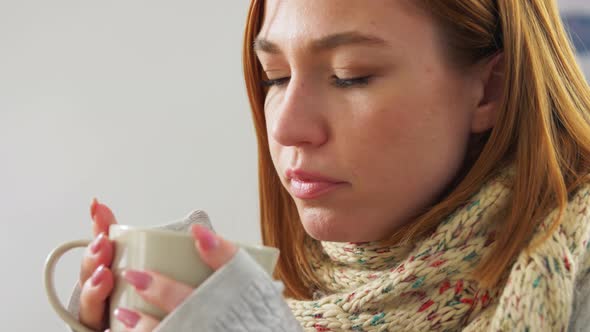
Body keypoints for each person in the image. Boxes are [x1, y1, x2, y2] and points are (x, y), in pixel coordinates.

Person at [67, 0, 590, 331]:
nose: (287, 127)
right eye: (274, 76)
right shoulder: (313, 303)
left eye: (349, 76)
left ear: (490, 89)